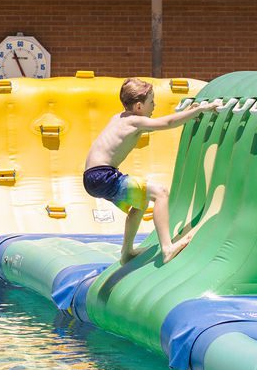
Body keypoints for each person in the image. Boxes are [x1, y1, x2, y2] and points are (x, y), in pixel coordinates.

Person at [83, 78, 220, 264]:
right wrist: (199, 110)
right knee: (160, 192)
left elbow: (161, 123)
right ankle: (167, 248)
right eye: (151, 102)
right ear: (139, 106)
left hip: (93, 176)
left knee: (141, 201)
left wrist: (187, 113)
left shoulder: (119, 118)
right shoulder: (134, 122)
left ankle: (127, 252)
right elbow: (168, 123)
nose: (154, 105)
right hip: (103, 176)